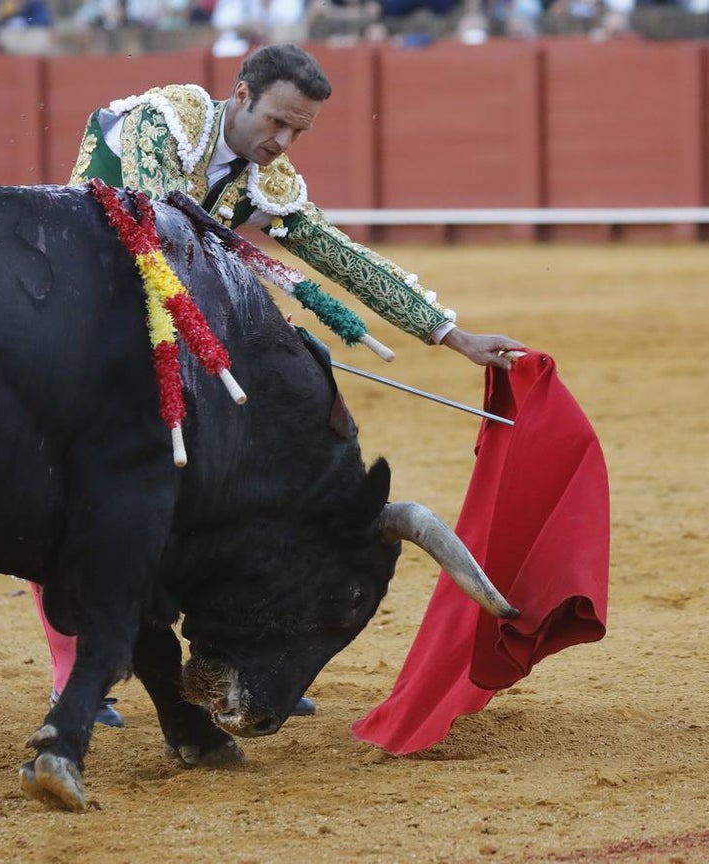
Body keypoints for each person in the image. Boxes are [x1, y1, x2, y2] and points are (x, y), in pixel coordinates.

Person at [41, 43, 525, 728]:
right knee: (83, 487)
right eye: (276, 122)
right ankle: (74, 681)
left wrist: (449, 334)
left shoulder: (267, 178)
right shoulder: (161, 121)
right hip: (87, 314)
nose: (284, 142)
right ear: (240, 96)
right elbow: (146, 221)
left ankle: (251, 649)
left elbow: (341, 257)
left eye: (300, 130)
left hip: (176, 327)